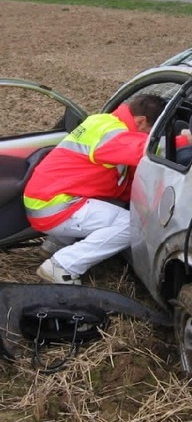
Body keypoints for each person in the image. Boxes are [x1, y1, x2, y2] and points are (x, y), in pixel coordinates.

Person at [23, 94, 167, 284]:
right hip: (55, 205)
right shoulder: (115, 135)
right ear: (141, 122)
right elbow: (143, 150)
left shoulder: (103, 121)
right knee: (131, 225)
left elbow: (114, 184)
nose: (150, 137)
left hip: (45, 197)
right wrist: (183, 141)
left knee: (114, 202)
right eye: (151, 132)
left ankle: (55, 244)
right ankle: (62, 266)